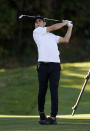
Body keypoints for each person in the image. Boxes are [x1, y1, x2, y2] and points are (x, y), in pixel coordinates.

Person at [33, 15, 73, 124]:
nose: (37, 23)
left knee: (54, 91)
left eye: (40, 21)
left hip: (55, 66)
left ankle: (53, 117)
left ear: (44, 23)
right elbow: (54, 27)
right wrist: (65, 23)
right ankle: (42, 114)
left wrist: (70, 27)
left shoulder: (52, 36)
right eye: (36, 22)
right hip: (43, 66)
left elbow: (66, 39)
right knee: (42, 90)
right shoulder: (37, 32)